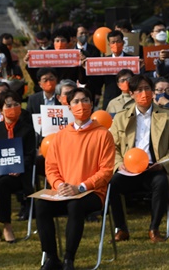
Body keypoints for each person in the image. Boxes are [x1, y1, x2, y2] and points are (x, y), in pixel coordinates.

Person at [37, 87, 114, 270]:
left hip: (91, 193)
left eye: (85, 100)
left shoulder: (103, 134)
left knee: (75, 205)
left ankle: (68, 259)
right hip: (63, 191)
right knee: (40, 205)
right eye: (76, 102)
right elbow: (51, 167)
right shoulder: (60, 136)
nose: (81, 105)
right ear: (69, 107)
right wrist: (60, 185)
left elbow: (106, 170)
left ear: (92, 104)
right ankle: (51, 258)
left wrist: (80, 187)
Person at [109, 75, 169, 243]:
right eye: (139, 90)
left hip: (154, 167)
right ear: (132, 94)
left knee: (161, 182)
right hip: (128, 169)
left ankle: (154, 228)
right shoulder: (121, 117)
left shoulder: (167, 116)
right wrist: (120, 165)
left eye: (147, 88)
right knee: (113, 184)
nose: (144, 93)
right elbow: (112, 146)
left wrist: (163, 163)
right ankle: (122, 229)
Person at [0, 90, 35, 245]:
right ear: (0, 110)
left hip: (19, 175)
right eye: (9, 105)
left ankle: (7, 226)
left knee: (1, 184)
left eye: (16, 104)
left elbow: (30, 155)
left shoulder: (27, 129)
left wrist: (19, 167)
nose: (13, 108)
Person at [100, 30, 135, 110]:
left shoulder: (132, 59)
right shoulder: (104, 61)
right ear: (109, 44)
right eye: (113, 42)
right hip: (110, 98)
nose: (115, 44)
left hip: (130, 98)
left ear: (123, 42)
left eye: (118, 41)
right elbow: (99, 81)